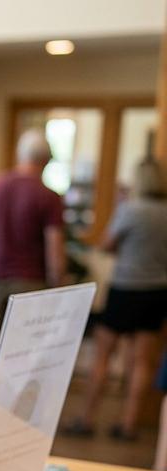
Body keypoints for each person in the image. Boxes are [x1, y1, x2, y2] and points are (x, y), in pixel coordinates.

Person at [69, 159, 167, 440]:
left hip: (126, 287)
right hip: (157, 291)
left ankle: (86, 418)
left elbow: (106, 245)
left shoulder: (130, 210)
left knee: (102, 355)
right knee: (142, 361)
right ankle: (129, 424)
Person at [0, 129, 66, 376]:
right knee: (22, 348)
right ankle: (10, 408)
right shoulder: (48, 196)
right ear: (45, 160)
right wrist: (58, 283)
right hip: (30, 280)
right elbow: (55, 246)